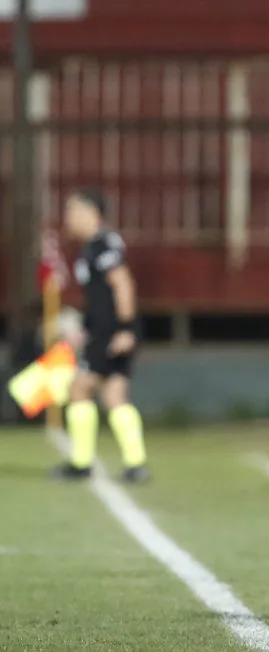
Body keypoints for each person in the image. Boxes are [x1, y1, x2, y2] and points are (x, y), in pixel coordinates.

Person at [54, 189, 149, 483]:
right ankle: (136, 464)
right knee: (114, 394)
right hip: (105, 331)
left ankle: (81, 463)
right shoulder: (92, 247)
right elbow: (100, 297)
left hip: (112, 333)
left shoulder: (103, 245)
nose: (67, 218)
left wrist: (123, 329)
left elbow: (122, 285)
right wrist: (84, 328)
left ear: (89, 211)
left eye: (71, 211)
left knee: (79, 389)